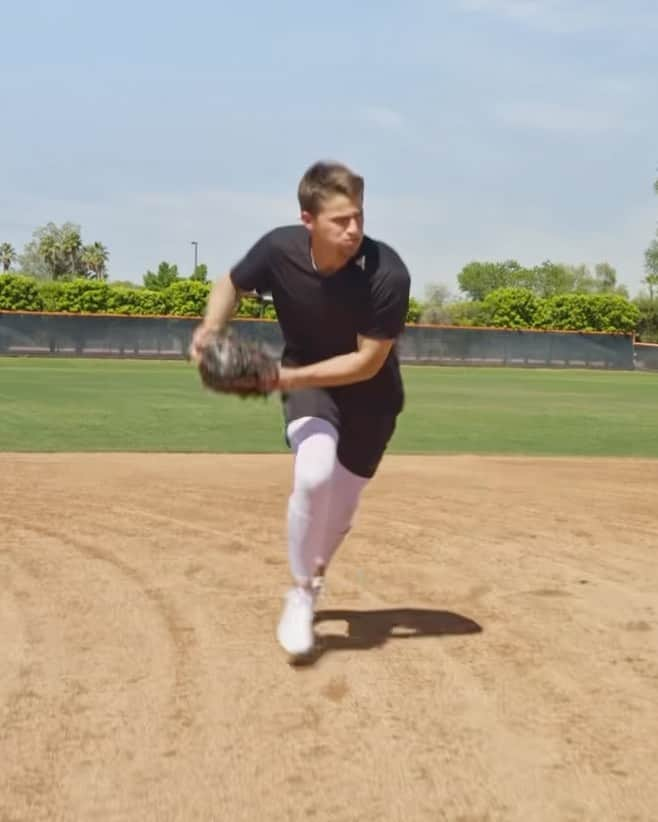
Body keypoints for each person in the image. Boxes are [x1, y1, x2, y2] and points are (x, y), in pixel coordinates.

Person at [189, 160, 411, 658]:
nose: (353, 229)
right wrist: (210, 330)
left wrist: (280, 378)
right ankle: (300, 591)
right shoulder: (279, 249)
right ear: (308, 220)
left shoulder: (387, 274)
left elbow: (367, 361)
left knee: (340, 511)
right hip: (311, 384)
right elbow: (231, 282)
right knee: (313, 477)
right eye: (339, 220)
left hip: (371, 396)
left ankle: (315, 576)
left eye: (358, 216)